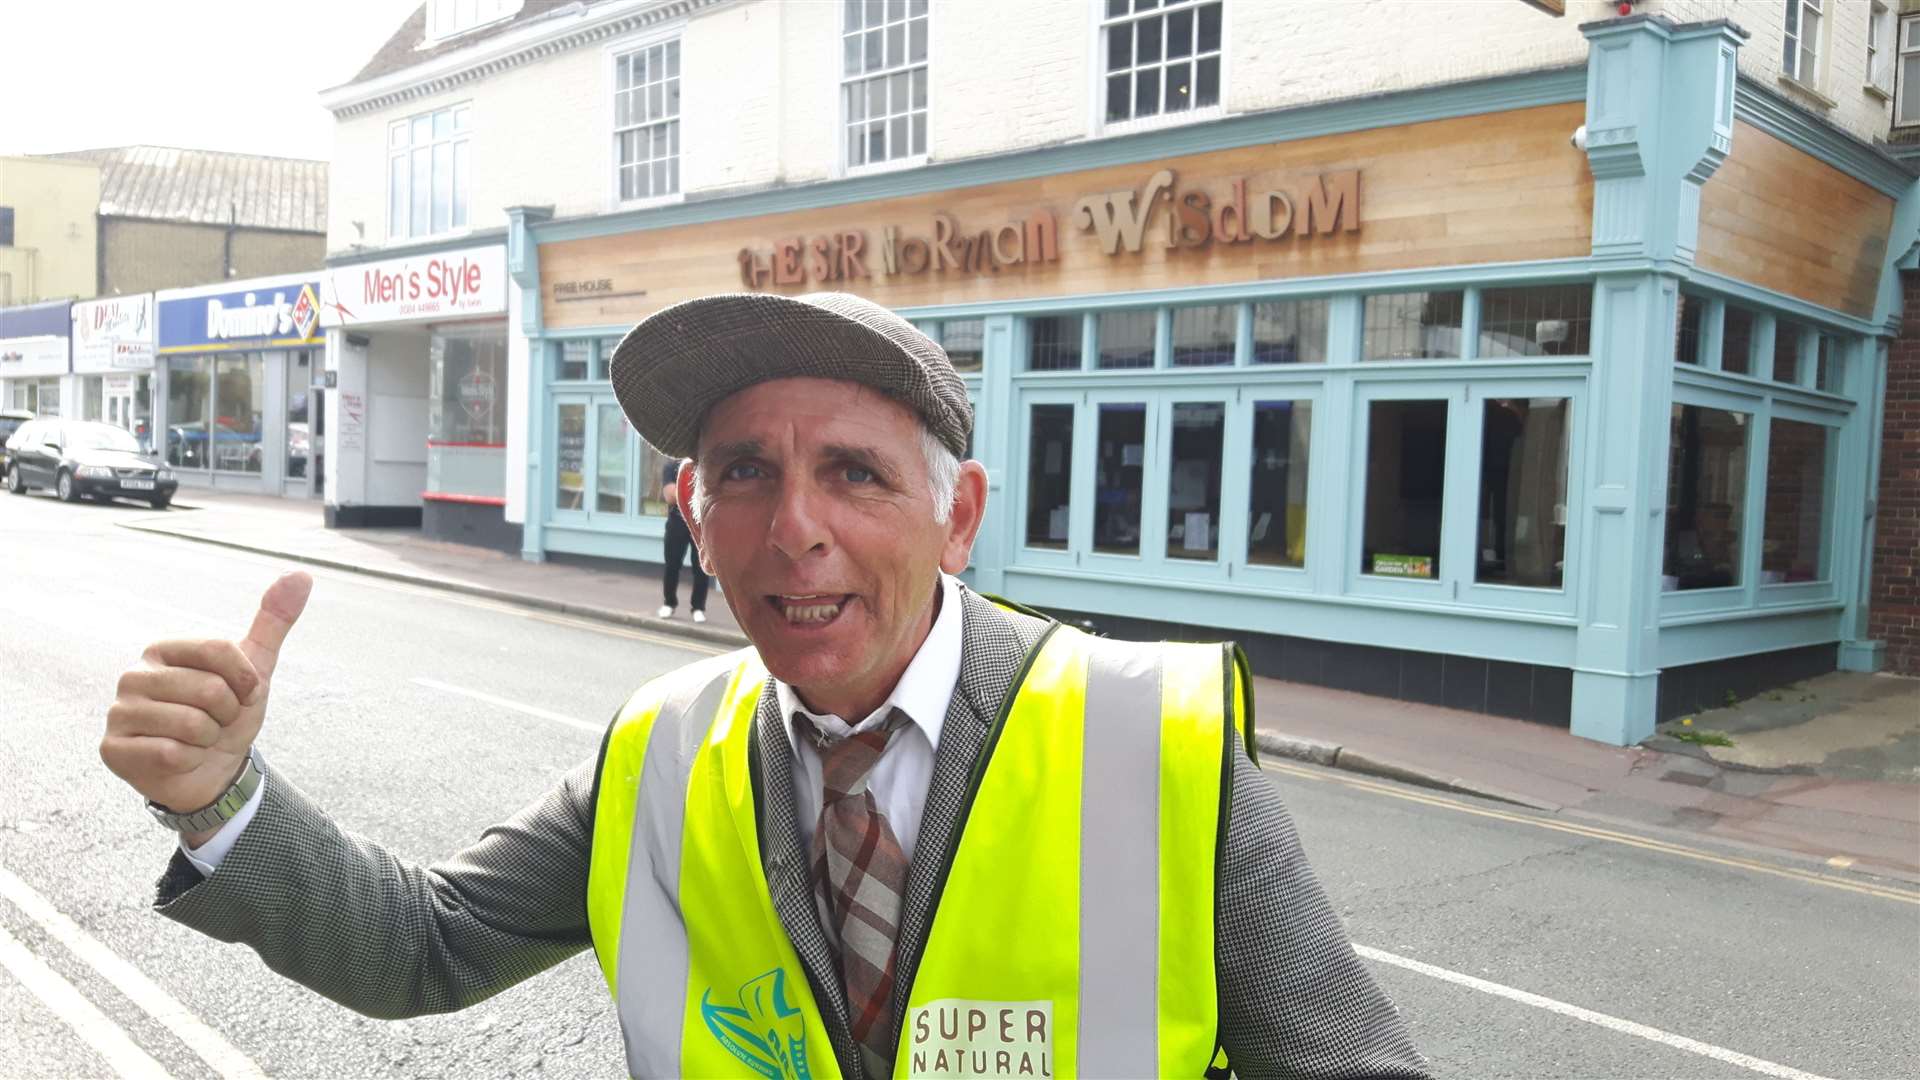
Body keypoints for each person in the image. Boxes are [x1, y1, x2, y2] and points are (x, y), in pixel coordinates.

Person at [101, 292, 1429, 1079]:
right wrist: (223, 798)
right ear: (693, 511)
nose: (793, 530)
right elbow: (426, 946)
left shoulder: (1153, 745)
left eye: (855, 472)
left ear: (957, 516)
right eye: (743, 473)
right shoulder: (663, 752)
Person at [657, 456, 710, 623]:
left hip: (700, 524)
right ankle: (669, 603)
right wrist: (697, 493)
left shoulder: (703, 466)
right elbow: (670, 496)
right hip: (677, 523)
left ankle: (698, 608)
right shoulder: (671, 467)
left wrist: (688, 492)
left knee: (701, 567)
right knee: (672, 565)